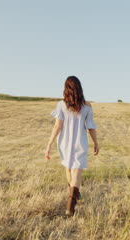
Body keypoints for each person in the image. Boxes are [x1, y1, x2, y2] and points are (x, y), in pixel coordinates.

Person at [44, 75, 100, 216]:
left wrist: (49, 143)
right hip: (80, 142)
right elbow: (91, 127)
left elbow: (57, 126)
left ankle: (73, 196)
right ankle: (71, 204)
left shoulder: (61, 105)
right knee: (77, 171)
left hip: (64, 143)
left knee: (69, 169)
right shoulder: (87, 107)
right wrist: (96, 142)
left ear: (66, 88)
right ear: (79, 88)